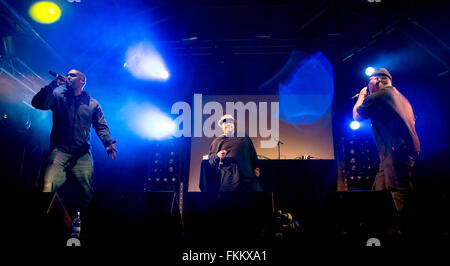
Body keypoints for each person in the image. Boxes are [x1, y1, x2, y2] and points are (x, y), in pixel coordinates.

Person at [31, 69, 118, 214]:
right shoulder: (58, 95)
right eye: (68, 74)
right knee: (46, 186)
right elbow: (37, 103)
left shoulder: (92, 104)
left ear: (81, 81)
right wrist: (54, 84)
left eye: (72, 75)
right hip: (59, 151)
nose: (68, 77)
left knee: (86, 196)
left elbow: (100, 125)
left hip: (82, 154)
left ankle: (84, 227)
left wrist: (108, 143)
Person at [353, 68, 420, 230]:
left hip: (395, 151)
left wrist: (362, 96)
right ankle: (379, 229)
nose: (368, 87)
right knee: (379, 191)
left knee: (397, 191)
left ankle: (400, 230)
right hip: (398, 151)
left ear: (376, 81)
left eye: (369, 84)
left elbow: (357, 115)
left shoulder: (381, 94)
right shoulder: (401, 97)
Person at [208, 114, 262, 192]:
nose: (228, 124)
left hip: (248, 180)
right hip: (230, 182)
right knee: (229, 203)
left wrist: (256, 168)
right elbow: (211, 160)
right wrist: (218, 156)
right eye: (225, 122)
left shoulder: (243, 137)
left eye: (231, 122)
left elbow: (253, 154)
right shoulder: (217, 141)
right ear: (221, 126)